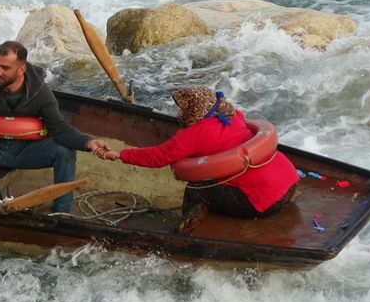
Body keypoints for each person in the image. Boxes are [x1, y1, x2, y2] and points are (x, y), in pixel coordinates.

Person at [0, 41, 110, 212]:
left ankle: (61, 213)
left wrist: (89, 142)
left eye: (5, 68)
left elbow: (60, 130)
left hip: (24, 152)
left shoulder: (40, 93)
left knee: (65, 150)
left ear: (21, 70)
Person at [96, 86, 299, 218]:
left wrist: (120, 155)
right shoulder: (233, 115)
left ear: (193, 111)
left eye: (183, 108)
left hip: (262, 202)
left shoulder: (192, 135)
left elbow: (157, 157)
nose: (179, 113)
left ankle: (186, 229)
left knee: (196, 186)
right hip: (289, 186)